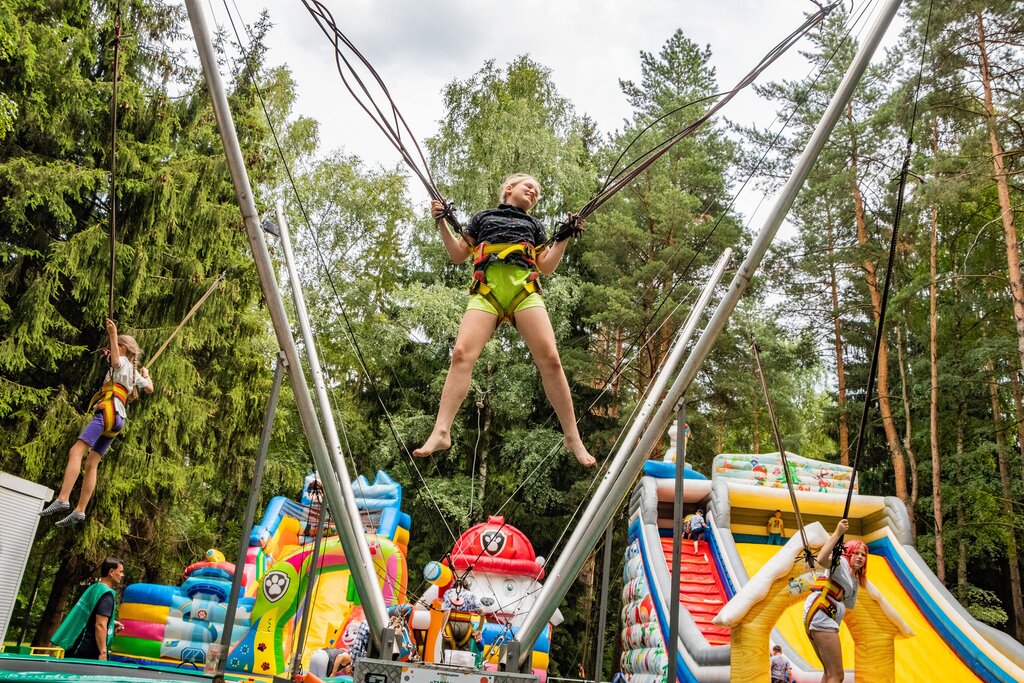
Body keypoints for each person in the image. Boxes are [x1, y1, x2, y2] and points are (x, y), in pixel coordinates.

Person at [413, 174, 595, 468]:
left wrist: (564, 238)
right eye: (529, 188)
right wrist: (442, 222)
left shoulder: (534, 225)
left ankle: (572, 436)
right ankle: (441, 431)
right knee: (461, 355)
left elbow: (546, 266)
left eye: (537, 192)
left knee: (551, 359)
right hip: (487, 292)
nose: (534, 193)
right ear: (509, 190)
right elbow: (459, 254)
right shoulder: (482, 218)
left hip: (524, 292)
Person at [40, 319, 153, 527]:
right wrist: (146, 374)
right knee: (92, 463)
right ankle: (80, 510)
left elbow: (117, 361)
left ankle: (63, 498)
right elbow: (149, 388)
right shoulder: (134, 372)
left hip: (107, 410)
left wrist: (113, 333)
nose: (108, 352)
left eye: (112, 348)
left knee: (76, 451)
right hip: (118, 420)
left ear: (122, 348)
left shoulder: (122, 363)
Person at [803, 519, 867, 683]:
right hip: (822, 615)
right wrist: (838, 533)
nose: (860, 557)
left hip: (822, 615)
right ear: (848, 553)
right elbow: (823, 559)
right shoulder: (841, 563)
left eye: (863, 555)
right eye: (856, 552)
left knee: (829, 672)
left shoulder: (854, 580)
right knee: (837, 675)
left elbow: (849, 604)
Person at [51, 557, 125, 659]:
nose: (122, 575)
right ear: (111, 572)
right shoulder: (107, 595)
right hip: (88, 650)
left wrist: (111, 622)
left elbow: (90, 615)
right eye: (120, 572)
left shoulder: (94, 588)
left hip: (75, 643)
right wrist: (103, 652)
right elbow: (100, 625)